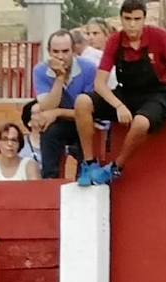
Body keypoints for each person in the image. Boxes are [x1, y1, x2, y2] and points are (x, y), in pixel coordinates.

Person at [75, 0, 166, 186]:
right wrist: (118, 105)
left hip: (157, 94)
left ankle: (115, 167)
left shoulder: (159, 37)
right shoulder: (115, 41)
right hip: (125, 92)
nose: (132, 24)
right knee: (82, 102)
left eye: (136, 19)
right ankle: (89, 163)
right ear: (121, 19)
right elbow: (99, 83)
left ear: (143, 19)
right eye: (127, 19)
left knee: (141, 123)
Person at [30, 29, 96, 179]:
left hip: (85, 122)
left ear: (73, 51)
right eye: (55, 52)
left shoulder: (89, 68)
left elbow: (89, 113)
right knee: (48, 131)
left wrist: (57, 112)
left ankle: (85, 175)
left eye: (65, 51)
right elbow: (47, 107)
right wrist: (59, 77)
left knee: (85, 132)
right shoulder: (40, 70)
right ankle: (50, 180)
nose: (61, 57)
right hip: (59, 123)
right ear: (48, 52)